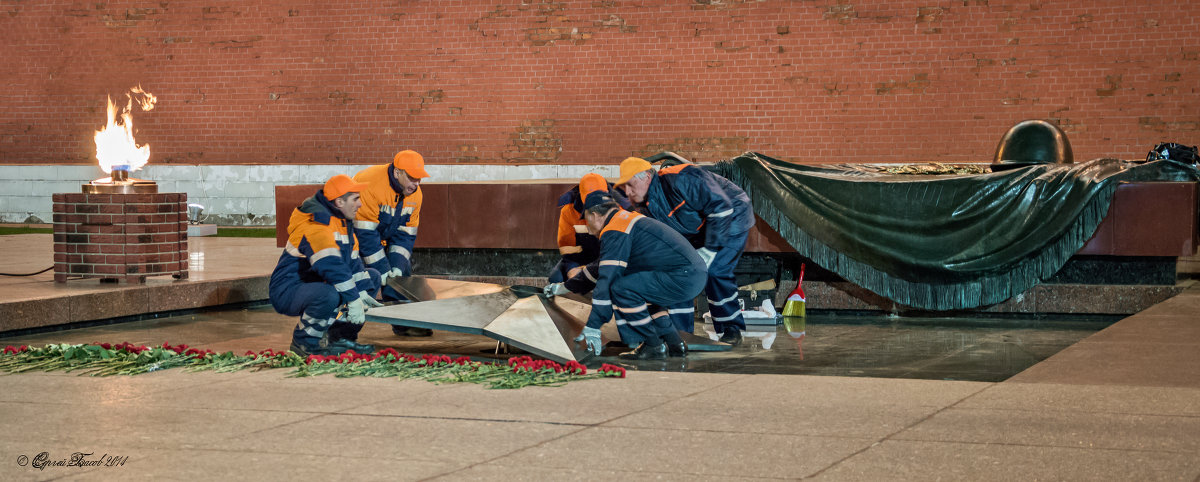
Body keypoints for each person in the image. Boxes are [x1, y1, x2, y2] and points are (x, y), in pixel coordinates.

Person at [615, 156, 755, 345]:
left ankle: (731, 328)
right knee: (679, 271)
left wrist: (711, 249)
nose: (628, 192)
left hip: (732, 215)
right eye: (624, 188)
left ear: (647, 177)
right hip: (697, 228)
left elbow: (721, 206)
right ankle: (681, 333)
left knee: (715, 272)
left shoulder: (681, 178)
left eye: (631, 185)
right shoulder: (643, 208)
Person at [571, 191, 706, 360]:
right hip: (692, 274)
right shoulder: (624, 220)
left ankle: (653, 345)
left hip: (682, 276)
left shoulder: (615, 229)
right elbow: (600, 267)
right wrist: (566, 287)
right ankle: (675, 344)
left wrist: (593, 325)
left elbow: (607, 279)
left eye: (586, 218)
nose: (587, 227)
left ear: (596, 214)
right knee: (641, 290)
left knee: (621, 289)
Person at [269, 174, 384, 357]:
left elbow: (353, 264)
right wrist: (353, 299)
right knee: (329, 295)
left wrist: (362, 290)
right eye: (355, 199)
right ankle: (304, 343)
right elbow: (331, 267)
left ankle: (339, 338)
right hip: (288, 289)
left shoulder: (342, 223)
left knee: (372, 277)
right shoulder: (317, 225)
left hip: (315, 284)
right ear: (339, 202)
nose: (360, 204)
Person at [346, 149, 432, 338]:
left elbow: (406, 234)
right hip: (354, 242)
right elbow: (364, 233)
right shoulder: (369, 182)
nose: (416, 184)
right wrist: (383, 268)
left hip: (381, 237)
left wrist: (397, 267)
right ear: (397, 173)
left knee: (401, 277)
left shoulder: (415, 195)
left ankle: (404, 324)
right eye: (411, 178)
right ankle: (342, 331)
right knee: (366, 279)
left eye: (419, 178)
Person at [547, 173, 631, 292]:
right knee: (556, 279)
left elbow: (621, 248)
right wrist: (573, 269)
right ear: (580, 195)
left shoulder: (621, 208)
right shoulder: (568, 211)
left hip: (611, 257)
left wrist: (597, 271)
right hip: (582, 259)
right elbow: (568, 247)